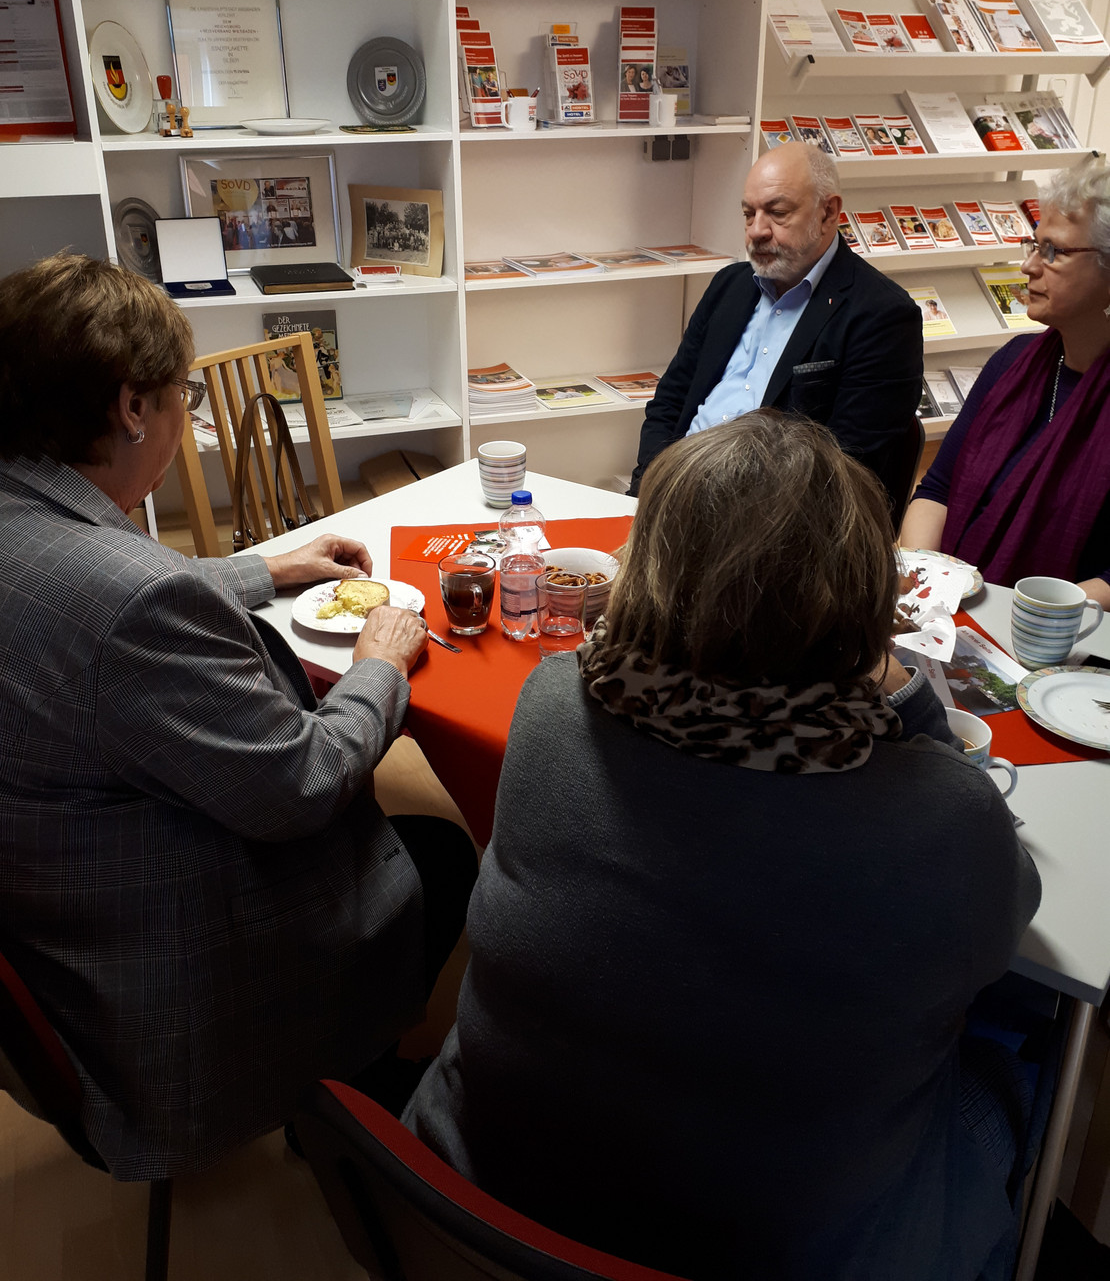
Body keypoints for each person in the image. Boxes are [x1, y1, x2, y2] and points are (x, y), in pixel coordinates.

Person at [405, 411, 1040, 1280]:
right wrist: (908, 699)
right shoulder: (941, 812)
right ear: (864, 607)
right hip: (776, 1252)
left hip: (466, 1204)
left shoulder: (553, 701)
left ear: (647, 569)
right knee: (1020, 1046)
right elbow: (1005, 926)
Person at [0, 254, 477, 1181]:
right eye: (183, 394)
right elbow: (303, 783)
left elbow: (99, 591)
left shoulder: (31, 521)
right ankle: (348, 1098)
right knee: (441, 856)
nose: (186, 413)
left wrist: (268, 568)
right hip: (163, 987)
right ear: (132, 407)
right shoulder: (133, 599)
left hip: (58, 930)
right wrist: (379, 666)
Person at [629, 141, 923, 505]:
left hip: (767, 516)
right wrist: (648, 488)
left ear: (828, 213)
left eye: (777, 212)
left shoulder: (882, 314)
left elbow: (846, 469)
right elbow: (670, 401)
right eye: (748, 214)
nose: (757, 230)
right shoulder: (730, 286)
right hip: (673, 494)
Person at [902, 160, 1110, 603]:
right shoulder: (1014, 361)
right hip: (954, 607)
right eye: (1033, 245)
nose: (1028, 266)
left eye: (1053, 252)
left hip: (1063, 629)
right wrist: (922, 582)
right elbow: (937, 490)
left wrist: (1021, 615)